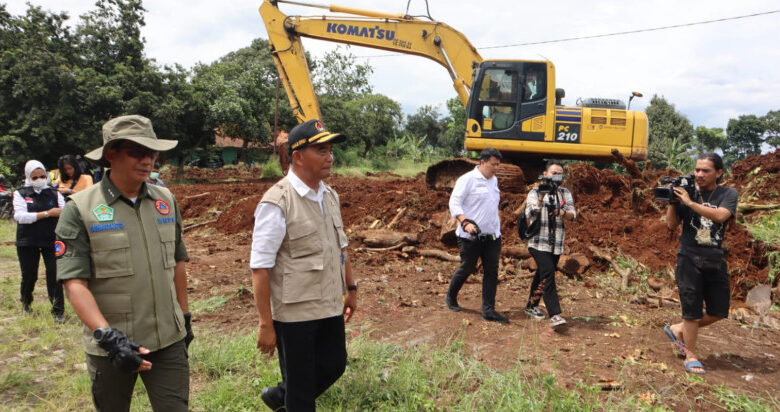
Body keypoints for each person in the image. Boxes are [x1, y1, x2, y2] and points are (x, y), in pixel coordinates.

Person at [55, 115, 194, 411]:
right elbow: (74, 282)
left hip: (168, 339)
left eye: (152, 153)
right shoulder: (80, 209)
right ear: (111, 155)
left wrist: (184, 316)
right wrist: (107, 336)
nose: (148, 161)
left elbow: (178, 261)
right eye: (137, 152)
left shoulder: (165, 200)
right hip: (112, 346)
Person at [250, 119, 356, 411]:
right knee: (301, 388)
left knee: (335, 365)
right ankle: (290, 398)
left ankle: (278, 396)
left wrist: (352, 288)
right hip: (295, 313)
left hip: (329, 303)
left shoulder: (330, 196)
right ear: (297, 156)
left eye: (330, 150)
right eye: (321, 150)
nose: (330, 157)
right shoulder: (277, 202)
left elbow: (341, 248)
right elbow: (260, 267)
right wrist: (265, 323)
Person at [663, 153, 737, 375]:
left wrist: (689, 202)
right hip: (688, 256)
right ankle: (691, 355)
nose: (699, 174)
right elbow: (671, 225)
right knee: (692, 311)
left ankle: (676, 329)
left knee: (719, 311)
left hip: (714, 257)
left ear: (719, 173)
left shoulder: (727, 193)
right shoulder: (687, 192)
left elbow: (721, 216)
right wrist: (673, 203)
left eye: (705, 170)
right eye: (697, 170)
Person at [444, 147, 509, 323]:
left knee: (491, 272)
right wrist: (465, 222)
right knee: (467, 267)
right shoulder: (467, 180)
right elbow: (454, 202)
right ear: (482, 162)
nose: (496, 168)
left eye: (498, 165)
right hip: (470, 236)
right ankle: (450, 295)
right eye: (493, 164)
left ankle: (488, 310)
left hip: (492, 236)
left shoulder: (493, 181)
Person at [521, 160, 576, 329]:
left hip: (556, 243)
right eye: (554, 172)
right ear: (545, 174)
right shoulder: (535, 191)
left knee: (542, 275)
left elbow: (573, 214)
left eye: (560, 173)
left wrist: (561, 212)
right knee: (548, 273)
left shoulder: (564, 193)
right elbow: (529, 213)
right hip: (538, 242)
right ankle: (555, 314)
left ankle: (531, 306)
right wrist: (540, 199)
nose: (557, 176)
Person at [13, 160, 66, 321]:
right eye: (34, 177)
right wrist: (47, 213)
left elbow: (65, 212)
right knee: (29, 275)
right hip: (27, 241)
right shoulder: (21, 193)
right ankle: (26, 303)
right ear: (28, 177)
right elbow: (20, 217)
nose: (39, 179)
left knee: (55, 275)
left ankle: (58, 311)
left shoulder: (54, 193)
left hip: (51, 239)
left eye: (42, 176)